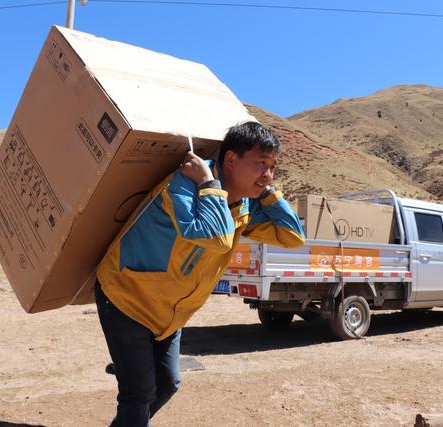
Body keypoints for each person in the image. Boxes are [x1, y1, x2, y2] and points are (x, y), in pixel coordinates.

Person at [94, 121, 305, 426]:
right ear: (230, 159)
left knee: (167, 384)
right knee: (139, 392)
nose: (268, 174)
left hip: (169, 313)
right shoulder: (183, 183)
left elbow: (293, 237)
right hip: (127, 297)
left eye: (273, 166)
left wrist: (267, 191)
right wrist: (208, 183)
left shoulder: (244, 203)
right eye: (261, 164)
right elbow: (214, 237)